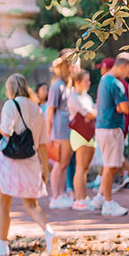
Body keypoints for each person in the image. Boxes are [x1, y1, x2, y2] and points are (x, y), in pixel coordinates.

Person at [0, 74, 58, 256]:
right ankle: (49, 232)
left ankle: (2, 244)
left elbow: (7, 131)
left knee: (3, 203)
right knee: (32, 204)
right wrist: (44, 170)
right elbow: (42, 143)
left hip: (9, 162)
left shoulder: (10, 105)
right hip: (31, 161)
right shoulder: (37, 109)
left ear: (10, 88)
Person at [92, 52, 129, 217]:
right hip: (112, 128)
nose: (128, 75)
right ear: (122, 66)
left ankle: (101, 197)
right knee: (112, 167)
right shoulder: (116, 84)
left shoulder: (105, 80)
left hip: (103, 127)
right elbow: (124, 108)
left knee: (109, 165)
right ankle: (108, 203)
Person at [46, 52, 76, 209]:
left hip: (68, 129)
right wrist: (48, 132)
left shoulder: (67, 85)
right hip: (59, 130)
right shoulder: (57, 85)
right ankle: (56, 195)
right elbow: (50, 111)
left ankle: (62, 193)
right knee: (59, 162)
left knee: (64, 163)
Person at [65, 67, 97, 210]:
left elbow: (92, 113)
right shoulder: (74, 98)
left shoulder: (86, 96)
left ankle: (83, 197)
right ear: (77, 82)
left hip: (89, 134)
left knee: (85, 169)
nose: (88, 83)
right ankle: (79, 200)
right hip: (80, 134)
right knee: (80, 167)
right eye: (85, 81)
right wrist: (94, 113)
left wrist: (93, 113)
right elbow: (89, 114)